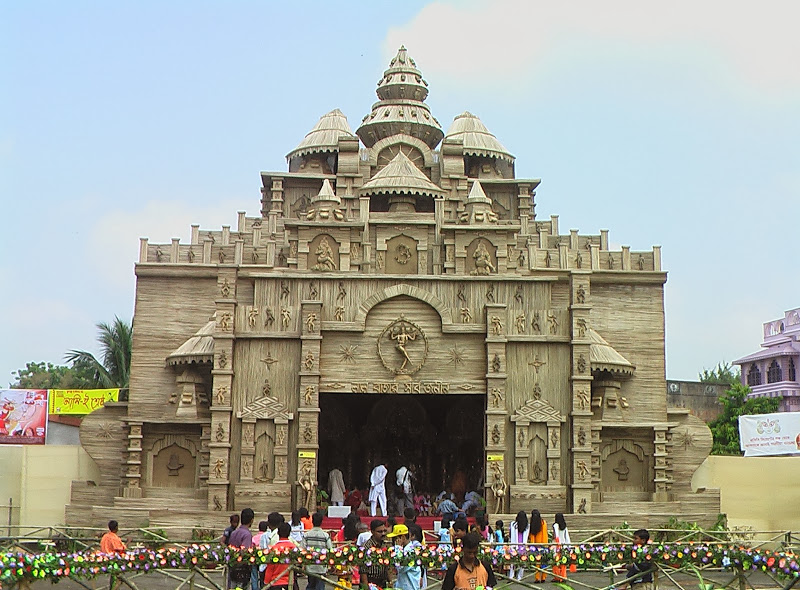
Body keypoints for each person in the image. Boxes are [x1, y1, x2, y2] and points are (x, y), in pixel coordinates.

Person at [304, 511, 333, 590]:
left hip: (310, 565)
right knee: (320, 587)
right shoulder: (325, 535)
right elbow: (330, 550)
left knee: (310, 585)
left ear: (312, 521)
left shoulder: (306, 535)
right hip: (321, 566)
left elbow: (302, 549)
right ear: (321, 522)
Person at [387, 524, 422, 590]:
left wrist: (398, 548)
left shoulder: (410, 551)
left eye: (395, 538)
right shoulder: (405, 550)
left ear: (402, 537)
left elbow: (400, 567)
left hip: (410, 587)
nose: (393, 541)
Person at [227, 508, 255, 590]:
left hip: (232, 566)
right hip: (242, 568)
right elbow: (245, 551)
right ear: (252, 520)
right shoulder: (247, 534)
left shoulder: (234, 532)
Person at [264, 522, 296, 590]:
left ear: (278, 532)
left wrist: (266, 582)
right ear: (289, 533)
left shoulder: (274, 549)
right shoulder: (294, 548)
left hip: (275, 583)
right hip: (290, 582)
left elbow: (270, 568)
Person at [362, 519, 389, 589]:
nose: (383, 534)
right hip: (371, 583)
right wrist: (366, 587)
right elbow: (363, 570)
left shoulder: (385, 545)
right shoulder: (366, 547)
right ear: (372, 532)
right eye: (379, 532)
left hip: (383, 583)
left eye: (384, 531)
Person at [508, 511, 529, 581]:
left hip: (514, 545)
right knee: (522, 562)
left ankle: (511, 576)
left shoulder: (513, 524)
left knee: (513, 562)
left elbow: (510, 534)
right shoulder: (527, 526)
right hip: (523, 546)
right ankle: (519, 577)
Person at [528, 509, 548, 582]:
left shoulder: (532, 524)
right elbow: (545, 534)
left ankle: (537, 578)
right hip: (543, 544)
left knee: (537, 562)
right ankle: (543, 577)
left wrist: (533, 545)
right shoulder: (543, 522)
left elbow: (532, 536)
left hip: (536, 545)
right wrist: (546, 544)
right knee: (544, 561)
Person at [552, 513, 572, 582]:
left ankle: (557, 576)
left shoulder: (555, 525)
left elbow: (556, 536)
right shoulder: (564, 526)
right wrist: (569, 547)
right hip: (564, 545)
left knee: (555, 562)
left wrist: (557, 544)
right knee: (563, 562)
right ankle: (563, 576)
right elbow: (567, 537)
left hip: (556, 545)